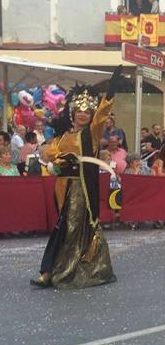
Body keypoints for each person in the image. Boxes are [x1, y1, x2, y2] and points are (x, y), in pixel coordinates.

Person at [30, 66, 123, 289]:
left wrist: (109, 93)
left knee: (71, 228)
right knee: (63, 227)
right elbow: (48, 153)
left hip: (81, 188)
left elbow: (101, 117)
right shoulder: (63, 136)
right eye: (79, 110)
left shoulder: (90, 133)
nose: (83, 113)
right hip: (64, 187)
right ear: (72, 113)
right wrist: (57, 164)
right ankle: (52, 269)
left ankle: (57, 271)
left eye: (87, 111)